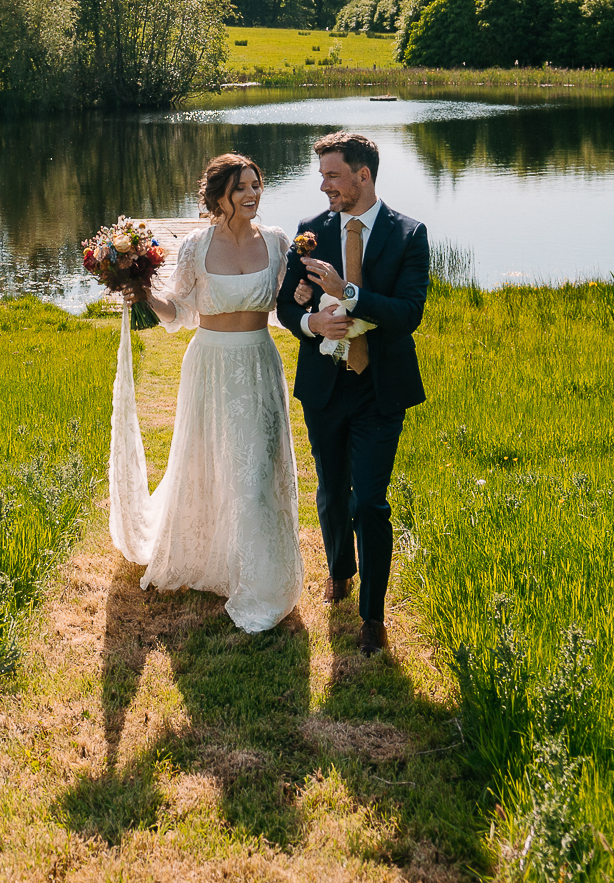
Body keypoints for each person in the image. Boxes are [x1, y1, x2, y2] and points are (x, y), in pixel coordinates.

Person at [107, 153, 304, 634]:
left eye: (257, 185)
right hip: (210, 364)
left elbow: (285, 305)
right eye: (241, 188)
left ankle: (261, 580)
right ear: (219, 196)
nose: (252, 194)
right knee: (209, 459)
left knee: (257, 468)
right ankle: (207, 556)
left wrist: (305, 300)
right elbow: (178, 310)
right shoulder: (197, 245)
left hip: (258, 362)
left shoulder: (278, 242)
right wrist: (143, 294)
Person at [277, 132, 429, 656]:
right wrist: (311, 321)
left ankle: (372, 616)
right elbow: (286, 308)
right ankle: (340, 570)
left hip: (380, 389)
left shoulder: (409, 234)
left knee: (370, 503)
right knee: (331, 491)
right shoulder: (310, 233)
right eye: (321, 176)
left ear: (363, 176)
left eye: (333, 176)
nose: (324, 187)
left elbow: (409, 314)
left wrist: (350, 294)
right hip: (325, 387)